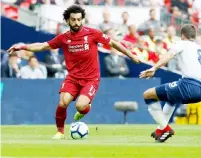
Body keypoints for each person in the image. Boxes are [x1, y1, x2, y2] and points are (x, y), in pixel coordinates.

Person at [8, 5, 139, 139]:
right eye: (73, 20)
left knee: (80, 106)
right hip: (73, 78)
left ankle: (84, 108)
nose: (76, 22)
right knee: (63, 102)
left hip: (91, 79)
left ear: (82, 19)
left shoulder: (93, 33)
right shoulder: (63, 38)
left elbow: (113, 43)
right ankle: (60, 132)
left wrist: (131, 55)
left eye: (79, 19)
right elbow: (42, 45)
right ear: (67, 21)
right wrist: (23, 46)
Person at [139, 24, 201, 143]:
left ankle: (165, 128)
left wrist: (154, 68)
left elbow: (168, 55)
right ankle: (161, 130)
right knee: (172, 98)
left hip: (189, 86)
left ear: (182, 36)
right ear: (194, 36)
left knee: (147, 94)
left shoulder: (181, 43)